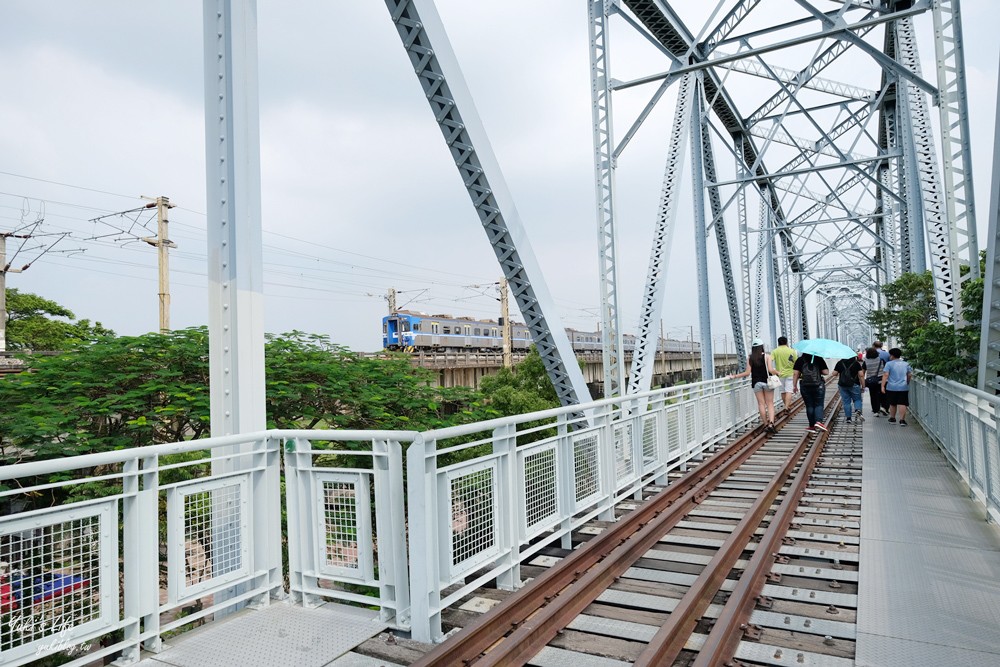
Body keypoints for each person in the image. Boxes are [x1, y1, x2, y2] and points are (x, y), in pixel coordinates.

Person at [727, 338, 779, 433]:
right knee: (770, 403)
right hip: (767, 382)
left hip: (756, 383)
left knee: (761, 404)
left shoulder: (750, 358)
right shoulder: (767, 357)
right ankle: (771, 423)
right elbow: (771, 370)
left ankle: (765, 424)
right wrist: (778, 372)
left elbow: (747, 373)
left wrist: (734, 376)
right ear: (761, 347)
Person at [793, 352, 829, 433]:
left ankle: (812, 425)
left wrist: (794, 386)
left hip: (805, 385)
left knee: (809, 405)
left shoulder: (800, 360)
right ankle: (818, 422)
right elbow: (826, 372)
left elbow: (795, 374)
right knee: (819, 404)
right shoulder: (818, 358)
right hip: (818, 385)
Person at [881, 348, 913, 426]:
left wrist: (882, 386)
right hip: (903, 387)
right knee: (903, 403)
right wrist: (907, 382)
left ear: (892, 355)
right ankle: (902, 420)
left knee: (892, 403)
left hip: (891, 387)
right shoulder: (906, 364)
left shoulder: (889, 364)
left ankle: (892, 418)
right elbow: (909, 374)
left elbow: (886, 375)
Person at [833, 354, 865, 424]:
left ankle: (848, 418)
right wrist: (863, 386)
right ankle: (857, 410)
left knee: (846, 402)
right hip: (854, 384)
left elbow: (834, 374)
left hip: (842, 385)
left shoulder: (840, 363)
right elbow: (861, 375)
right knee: (857, 399)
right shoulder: (856, 363)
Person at [771, 336, 798, 412]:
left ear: (778, 343)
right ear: (786, 342)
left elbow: (770, 361)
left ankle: (786, 405)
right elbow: (796, 363)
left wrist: (773, 370)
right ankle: (786, 407)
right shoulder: (792, 351)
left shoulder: (775, 351)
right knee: (789, 391)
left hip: (780, 374)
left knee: (783, 391)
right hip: (790, 374)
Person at [862, 347, 886, 416]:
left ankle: (876, 411)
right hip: (881, 380)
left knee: (873, 395)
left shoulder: (865, 361)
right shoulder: (881, 360)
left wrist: (863, 383)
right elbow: (886, 370)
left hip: (871, 381)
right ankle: (884, 407)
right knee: (883, 394)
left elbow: (863, 372)